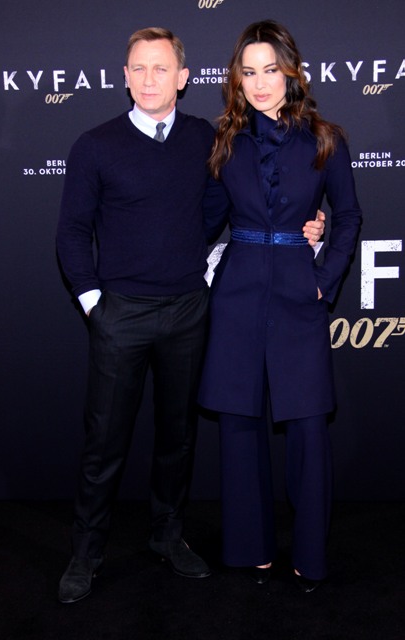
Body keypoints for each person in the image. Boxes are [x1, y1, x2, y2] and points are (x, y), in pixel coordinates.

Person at [56, 26, 325, 604]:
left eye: (161, 68)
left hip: (187, 310)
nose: (148, 79)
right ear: (124, 76)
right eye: (138, 68)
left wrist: (311, 218)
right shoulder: (94, 145)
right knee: (105, 441)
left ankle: (167, 535)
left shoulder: (208, 138)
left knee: (177, 439)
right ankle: (86, 552)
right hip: (120, 313)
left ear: (182, 78)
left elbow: (235, 201)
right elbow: (72, 232)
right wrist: (94, 302)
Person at [198, 20, 362, 592]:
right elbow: (204, 219)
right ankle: (251, 548)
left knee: (309, 424)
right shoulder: (225, 142)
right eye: (249, 72)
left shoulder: (325, 139)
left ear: (291, 73)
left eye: (271, 69)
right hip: (238, 291)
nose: (260, 82)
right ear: (236, 79)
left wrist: (324, 278)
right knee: (239, 422)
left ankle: (310, 553)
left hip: (298, 289)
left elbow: (349, 216)